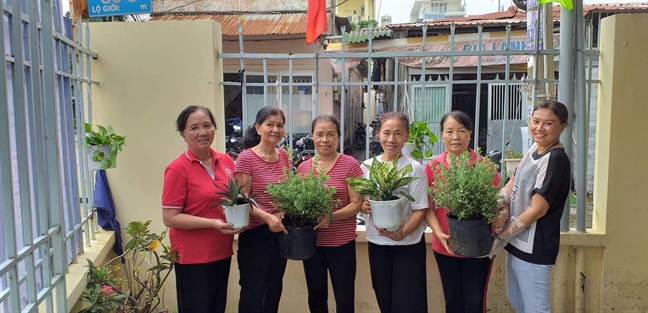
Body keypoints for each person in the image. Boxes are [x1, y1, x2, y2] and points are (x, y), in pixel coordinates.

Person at [489, 100, 572, 312]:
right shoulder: (535, 148)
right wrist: (494, 205)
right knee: (517, 302)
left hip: (536, 248)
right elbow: (513, 184)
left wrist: (502, 234)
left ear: (563, 126)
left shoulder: (555, 160)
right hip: (518, 245)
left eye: (548, 123)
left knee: (536, 309)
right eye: (536, 121)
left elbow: (538, 209)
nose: (539, 128)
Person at [424, 110, 508, 313]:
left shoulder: (484, 166)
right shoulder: (433, 167)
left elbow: (500, 201)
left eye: (461, 131)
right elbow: (428, 208)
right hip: (445, 247)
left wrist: (502, 215)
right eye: (449, 131)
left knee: (474, 303)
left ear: (470, 134)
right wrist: (439, 234)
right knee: (453, 302)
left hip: (478, 248)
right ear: (442, 134)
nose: (455, 137)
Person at [161, 105, 242, 313]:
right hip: (192, 256)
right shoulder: (177, 169)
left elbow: (233, 198)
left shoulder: (225, 161)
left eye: (207, 125)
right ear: (183, 134)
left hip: (221, 250)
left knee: (217, 307)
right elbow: (170, 217)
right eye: (194, 128)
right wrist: (212, 223)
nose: (202, 132)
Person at [359, 112, 429, 313]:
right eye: (386, 133)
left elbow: (420, 209)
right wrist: (363, 206)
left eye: (398, 133)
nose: (391, 139)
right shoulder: (367, 167)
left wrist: (402, 232)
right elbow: (361, 202)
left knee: (409, 302)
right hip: (377, 242)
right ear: (377, 134)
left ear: (406, 136)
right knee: (384, 299)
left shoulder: (414, 169)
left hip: (408, 245)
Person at [296, 114, 363, 313]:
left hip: (342, 244)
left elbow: (356, 203)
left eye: (330, 134)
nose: (325, 139)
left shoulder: (351, 165)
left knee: (344, 297)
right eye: (320, 134)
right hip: (312, 244)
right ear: (312, 137)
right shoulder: (303, 168)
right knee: (316, 296)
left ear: (338, 137)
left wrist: (331, 217)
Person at [234, 107, 291, 313]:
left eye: (280, 125)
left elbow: (288, 193)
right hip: (255, 235)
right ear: (258, 128)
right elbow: (242, 199)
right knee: (253, 291)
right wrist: (267, 217)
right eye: (270, 124)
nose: (275, 129)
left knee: (274, 287)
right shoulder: (246, 158)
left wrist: (283, 213)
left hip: (279, 232)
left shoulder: (284, 156)